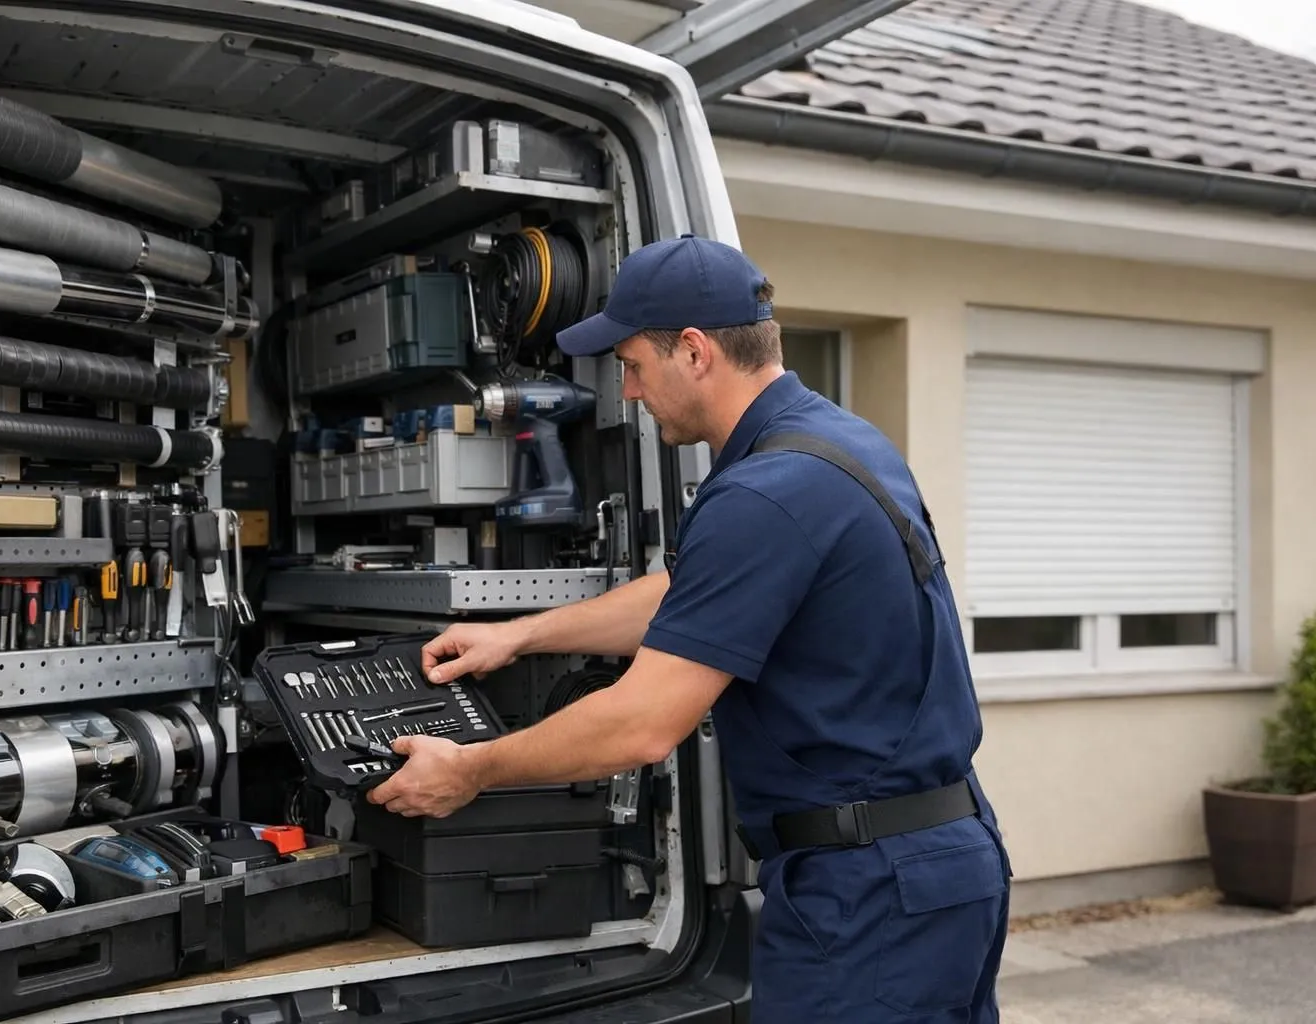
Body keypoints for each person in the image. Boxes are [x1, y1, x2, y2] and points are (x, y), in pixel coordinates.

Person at [365, 234, 1012, 1023]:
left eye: (633, 365)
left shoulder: (764, 491)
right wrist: (521, 636)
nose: (629, 392)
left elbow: (641, 726)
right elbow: (698, 592)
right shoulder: (837, 442)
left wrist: (470, 770)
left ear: (696, 353)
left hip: (868, 892)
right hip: (936, 865)